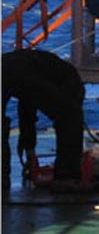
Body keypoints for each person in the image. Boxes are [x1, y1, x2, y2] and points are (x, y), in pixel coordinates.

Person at [2, 49, 85, 195]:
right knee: (71, 117)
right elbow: (67, 113)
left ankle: (2, 180)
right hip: (21, 69)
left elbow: (26, 112)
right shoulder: (70, 80)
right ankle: (66, 178)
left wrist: (30, 154)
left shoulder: (45, 72)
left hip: (6, 64)